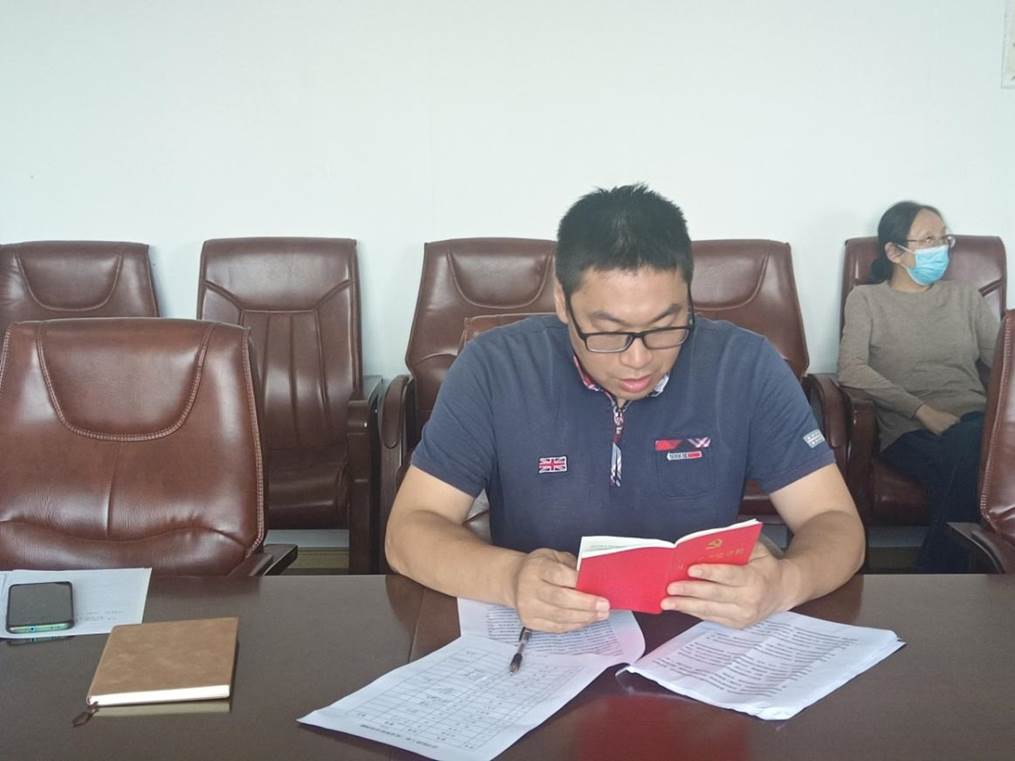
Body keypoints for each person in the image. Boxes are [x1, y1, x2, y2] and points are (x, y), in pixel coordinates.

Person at [387, 184, 864, 633]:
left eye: (665, 326)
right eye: (609, 332)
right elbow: (409, 530)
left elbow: (834, 521)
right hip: (548, 638)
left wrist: (785, 583)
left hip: (701, 641)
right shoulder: (495, 368)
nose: (638, 359)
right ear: (562, 302)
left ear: (688, 297)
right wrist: (510, 579)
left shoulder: (745, 366)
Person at [838, 201, 999, 572]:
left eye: (944, 238)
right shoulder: (867, 300)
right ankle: (960, 575)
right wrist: (922, 411)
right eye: (928, 240)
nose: (940, 248)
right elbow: (851, 369)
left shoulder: (965, 297)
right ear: (894, 252)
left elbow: (1004, 361)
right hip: (910, 431)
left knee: (971, 445)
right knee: (975, 457)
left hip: (975, 423)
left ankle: (936, 580)